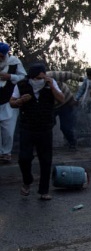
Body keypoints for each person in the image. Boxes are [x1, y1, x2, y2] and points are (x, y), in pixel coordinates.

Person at [9, 62, 65, 199]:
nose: (41, 80)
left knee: (46, 159)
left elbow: (61, 99)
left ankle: (44, 191)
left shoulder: (50, 84)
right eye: (39, 78)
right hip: (27, 126)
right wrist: (20, 101)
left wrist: (51, 86)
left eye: (43, 77)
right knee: (24, 158)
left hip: (45, 127)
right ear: (32, 77)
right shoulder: (22, 85)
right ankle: (27, 180)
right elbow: (12, 102)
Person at [0, 42, 27, 163]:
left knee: (8, 131)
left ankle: (6, 153)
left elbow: (23, 77)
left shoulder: (14, 62)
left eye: (1, 56)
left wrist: (10, 77)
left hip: (9, 101)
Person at [48, 70, 84, 151]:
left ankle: (72, 143)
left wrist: (81, 79)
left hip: (66, 102)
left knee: (66, 127)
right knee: (47, 126)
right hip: (51, 107)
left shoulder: (52, 75)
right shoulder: (32, 84)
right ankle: (44, 146)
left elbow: (69, 74)